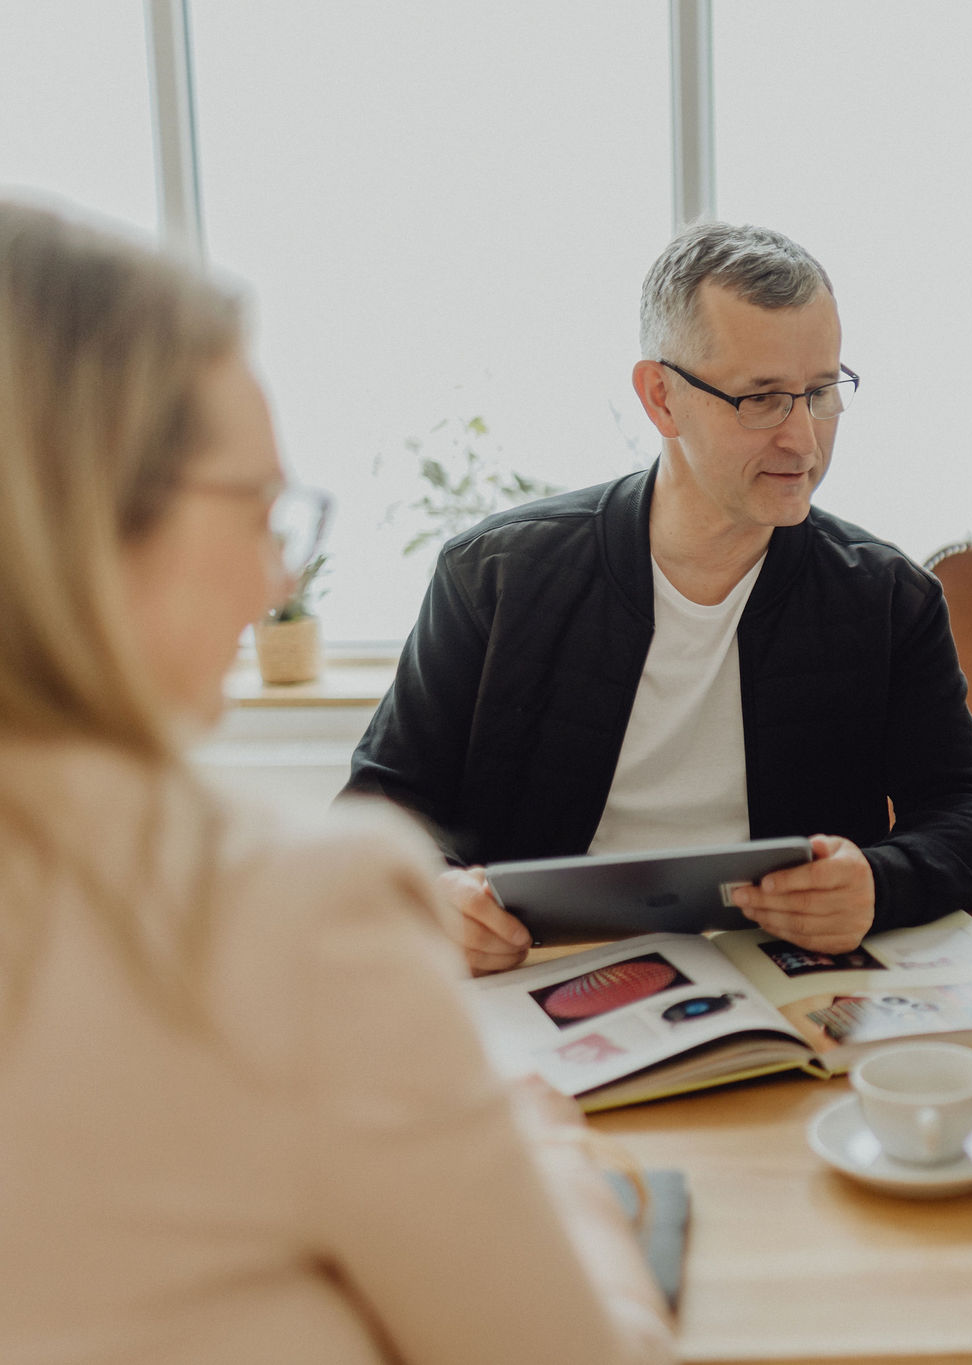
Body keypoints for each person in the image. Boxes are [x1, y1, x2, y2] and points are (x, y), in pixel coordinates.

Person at [0, 203, 671, 1362]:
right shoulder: (290, 914)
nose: (279, 576)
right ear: (84, 513)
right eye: (259, 510)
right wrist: (557, 1174)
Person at [345, 221, 972, 974]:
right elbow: (378, 809)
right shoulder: (493, 576)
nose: (804, 440)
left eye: (821, 392)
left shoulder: (889, 598)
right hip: (541, 976)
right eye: (762, 398)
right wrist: (433, 896)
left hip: (789, 983)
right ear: (661, 398)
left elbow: (970, 815)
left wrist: (880, 884)